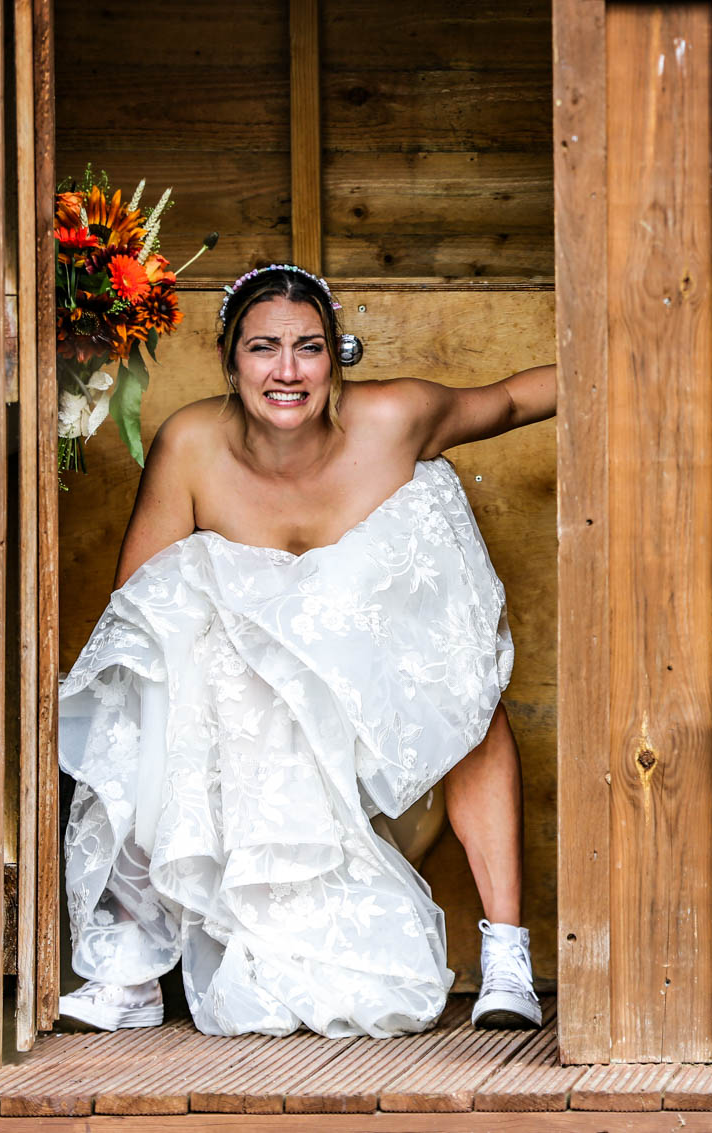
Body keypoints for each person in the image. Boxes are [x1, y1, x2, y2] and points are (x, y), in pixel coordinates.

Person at [56, 265, 555, 1038]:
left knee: (462, 680)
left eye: (309, 348)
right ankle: (131, 965)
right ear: (230, 363)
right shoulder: (191, 445)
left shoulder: (394, 418)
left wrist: (633, 360)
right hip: (263, 745)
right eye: (263, 348)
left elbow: (513, 399)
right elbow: (138, 614)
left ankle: (507, 958)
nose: (287, 371)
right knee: (148, 668)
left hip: (381, 722)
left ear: (336, 359)